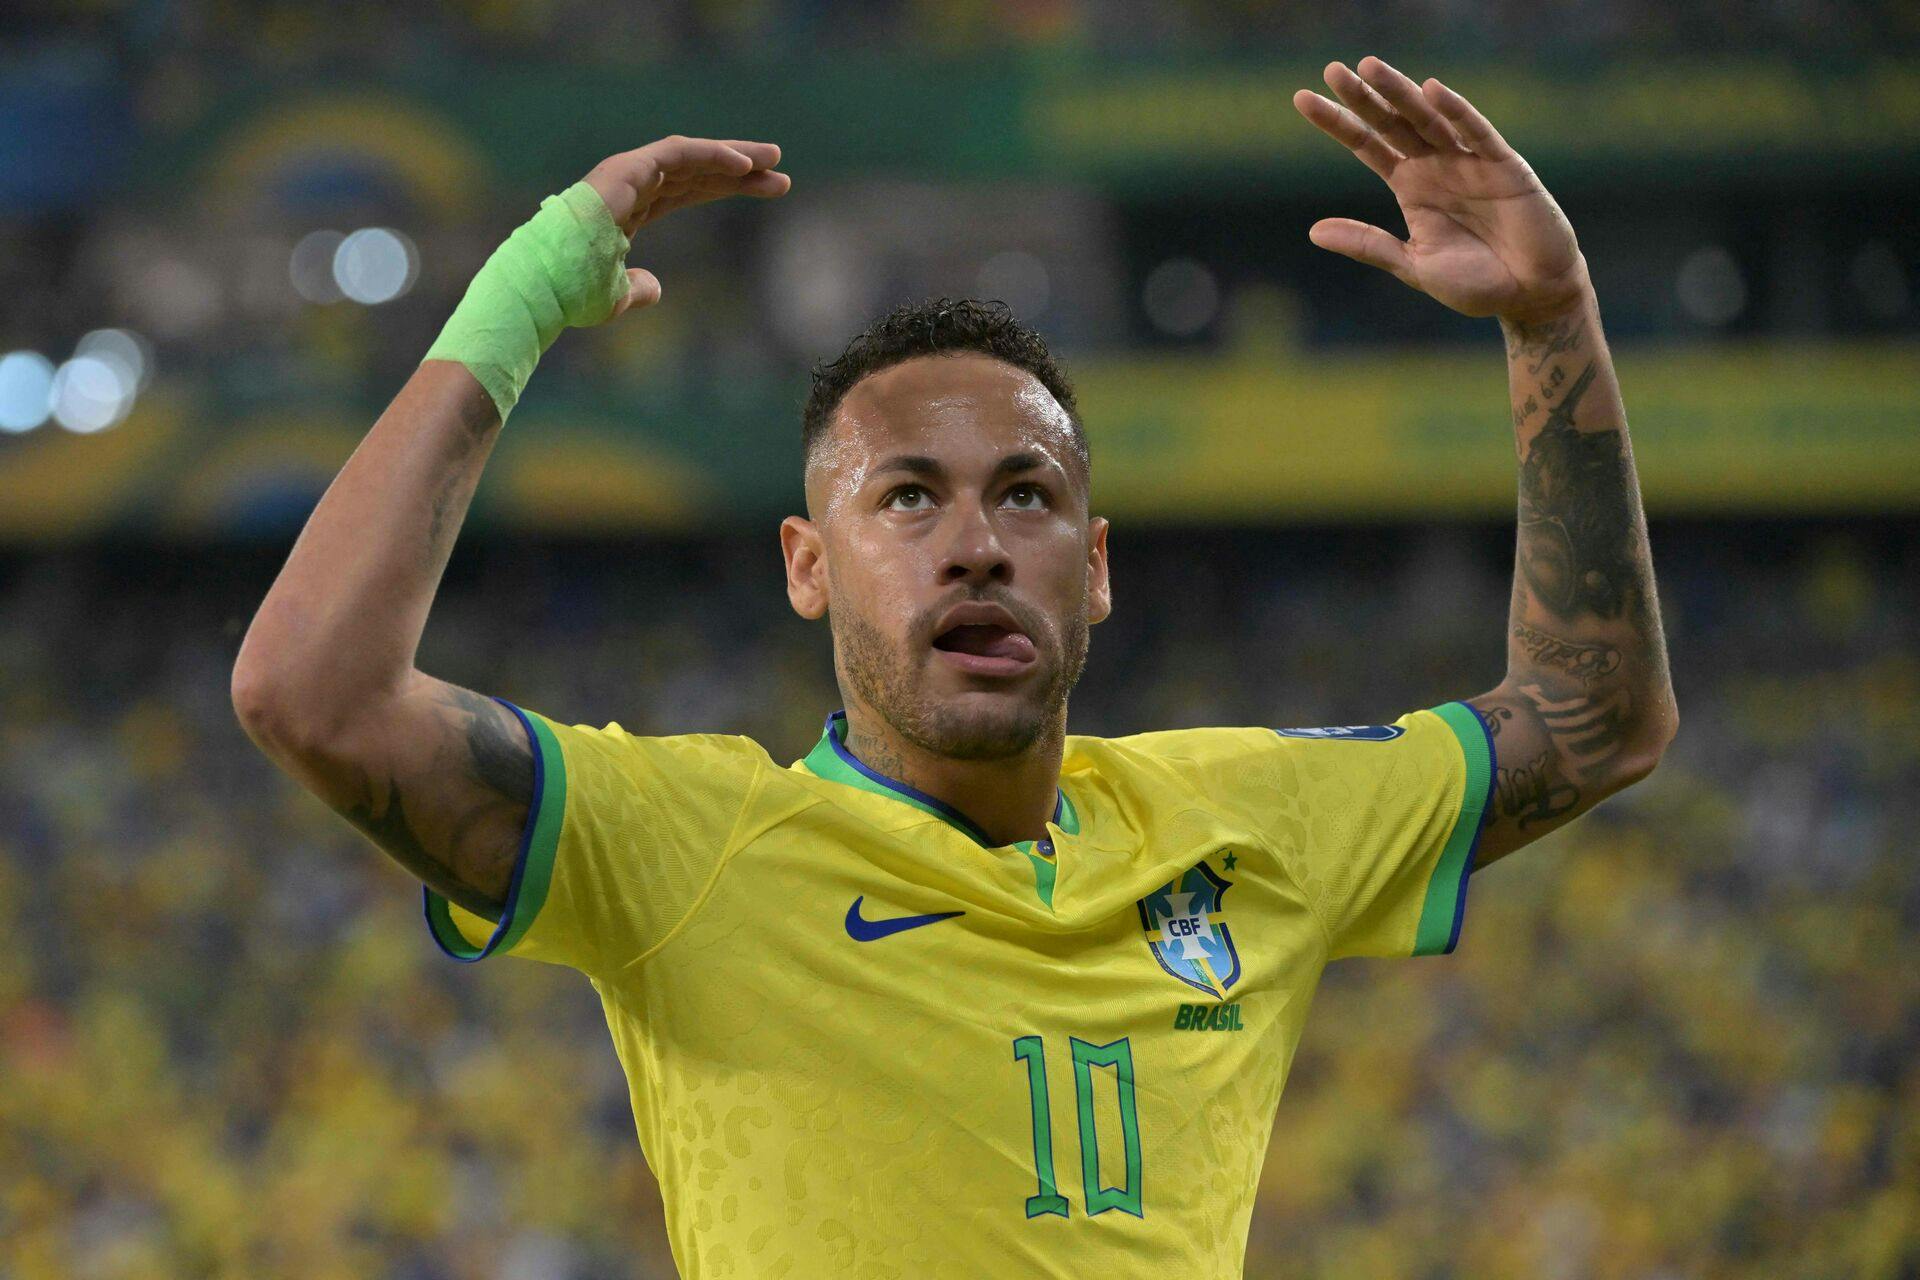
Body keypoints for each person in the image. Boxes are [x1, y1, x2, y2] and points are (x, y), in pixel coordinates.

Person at [232, 57, 1676, 1278]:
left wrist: (1555, 327)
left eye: (1028, 495)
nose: (977, 545)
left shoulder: (1252, 820)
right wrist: (526, 293)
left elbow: (1593, 720)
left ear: (1096, 568)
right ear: (808, 565)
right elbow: (312, 695)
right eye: (908, 497)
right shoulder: (686, 849)